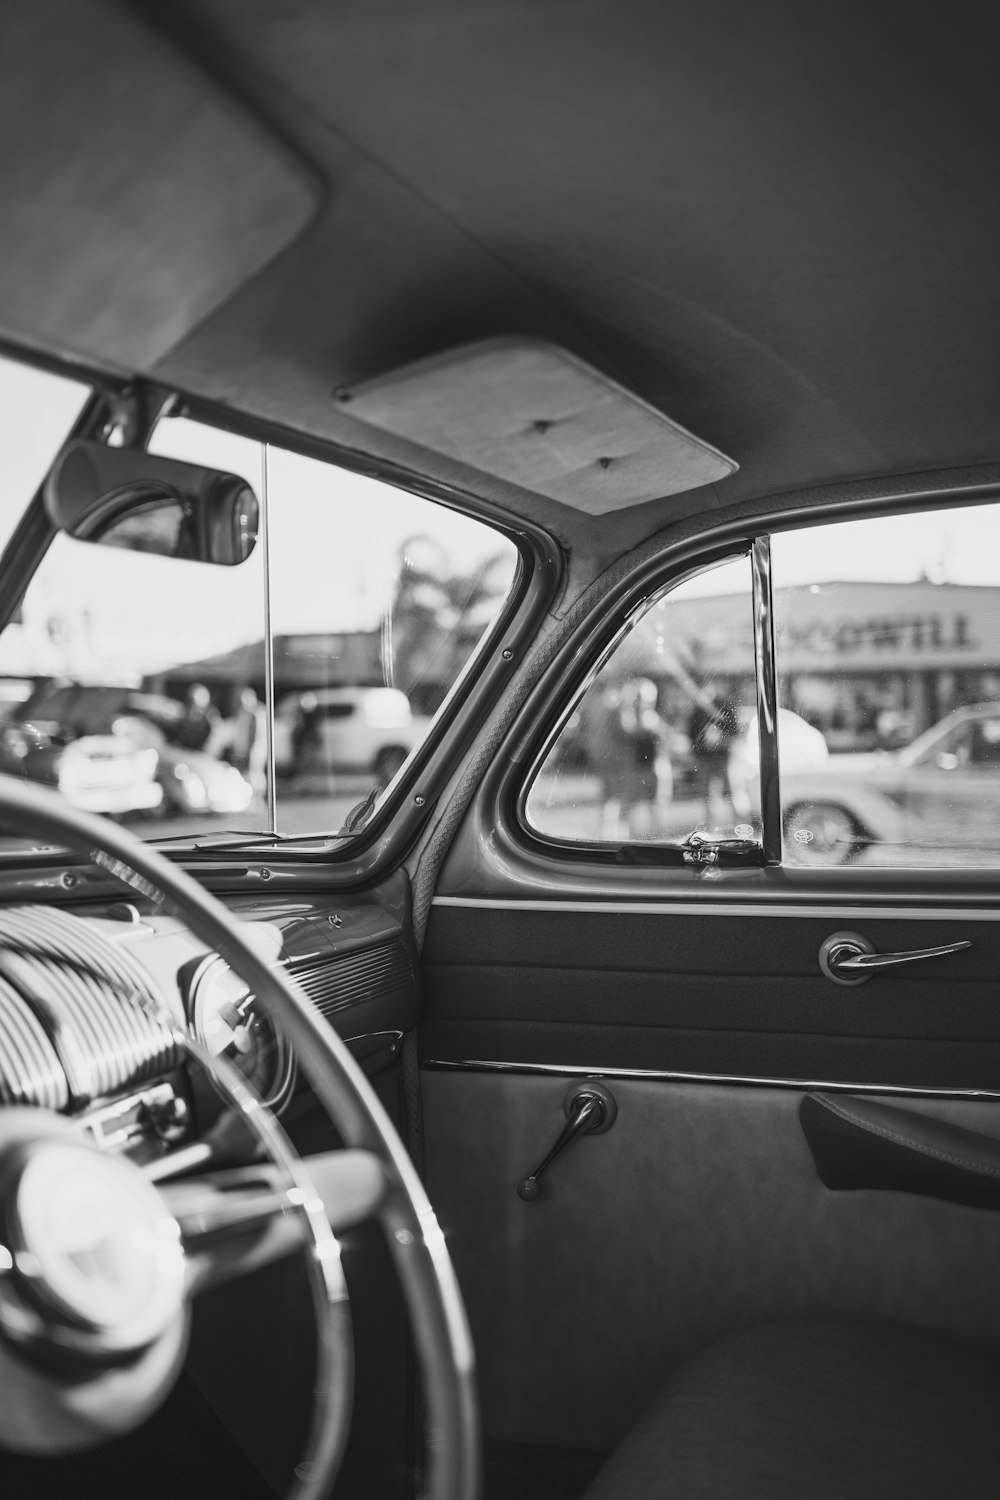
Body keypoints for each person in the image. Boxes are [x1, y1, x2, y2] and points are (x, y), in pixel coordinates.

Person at [687, 687, 739, 824]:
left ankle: (740, 825)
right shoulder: (698, 711)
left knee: (730, 791)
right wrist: (702, 745)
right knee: (707, 794)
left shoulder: (724, 707)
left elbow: (734, 732)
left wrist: (721, 740)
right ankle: (710, 825)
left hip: (722, 757)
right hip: (705, 758)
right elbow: (691, 735)